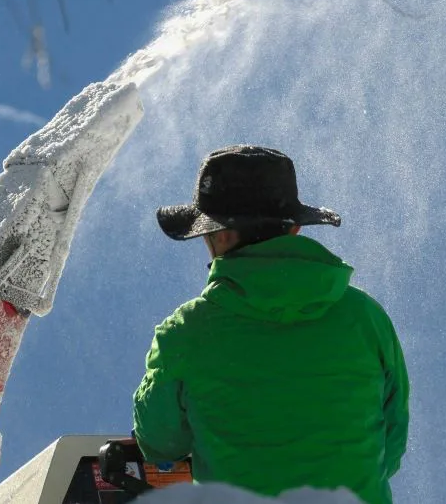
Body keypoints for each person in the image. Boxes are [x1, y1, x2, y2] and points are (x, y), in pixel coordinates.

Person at [131, 145, 410, 504]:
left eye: (206, 233)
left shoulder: (185, 334)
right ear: (294, 228)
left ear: (222, 236)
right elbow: (391, 447)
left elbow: (160, 445)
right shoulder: (367, 318)